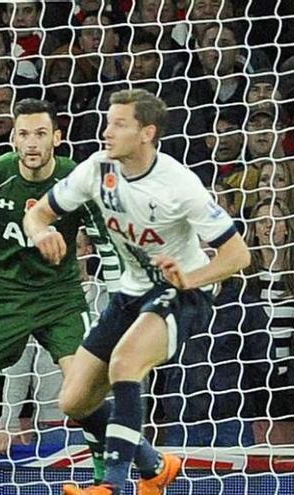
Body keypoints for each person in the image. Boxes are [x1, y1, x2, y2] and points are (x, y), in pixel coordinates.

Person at [23, 89, 251, 495]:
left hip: (184, 293)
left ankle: (112, 486)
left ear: (147, 133)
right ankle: (155, 466)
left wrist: (189, 279)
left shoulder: (179, 184)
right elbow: (38, 214)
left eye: (118, 124)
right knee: (74, 401)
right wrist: (42, 232)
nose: (106, 132)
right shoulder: (98, 169)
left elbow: (238, 256)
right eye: (107, 122)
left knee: (126, 363)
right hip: (130, 293)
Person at [0, 99, 120, 491]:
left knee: (82, 392)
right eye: (24, 134)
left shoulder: (77, 180)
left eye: (41, 133)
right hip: (2, 296)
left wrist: (120, 300)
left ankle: (101, 479)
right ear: (13, 138)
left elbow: (104, 241)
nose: (32, 143)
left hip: (60, 298)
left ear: (57, 138)